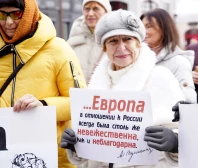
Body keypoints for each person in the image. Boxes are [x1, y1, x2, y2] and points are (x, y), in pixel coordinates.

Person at [61, 9, 186, 168]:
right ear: (104, 48)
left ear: (138, 43)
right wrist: (77, 146)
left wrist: (175, 143)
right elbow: (92, 158)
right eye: (113, 41)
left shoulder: (160, 78)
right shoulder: (94, 90)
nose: (121, 47)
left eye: (127, 39)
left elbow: (186, 137)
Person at [0, 0, 86, 168]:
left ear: (28, 14)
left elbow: (80, 102)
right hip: (5, 154)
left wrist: (44, 104)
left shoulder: (58, 49)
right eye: (3, 14)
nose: (9, 22)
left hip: (48, 157)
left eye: (16, 14)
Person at [140, 8, 196, 103]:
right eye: (141, 27)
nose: (143, 31)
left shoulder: (179, 62)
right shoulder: (138, 60)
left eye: (148, 26)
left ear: (164, 28)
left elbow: (188, 100)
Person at [67, 0, 111, 83]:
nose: (90, 14)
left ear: (106, 12)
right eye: (87, 9)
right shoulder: (74, 36)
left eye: (96, 9)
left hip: (102, 95)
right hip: (76, 94)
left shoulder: (113, 39)